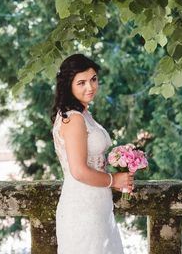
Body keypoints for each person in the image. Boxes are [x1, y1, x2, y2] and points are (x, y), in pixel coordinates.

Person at [51, 53, 133, 253]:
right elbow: (78, 171)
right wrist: (114, 180)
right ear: (68, 85)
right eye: (81, 82)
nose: (90, 87)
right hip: (82, 208)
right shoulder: (73, 118)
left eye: (93, 79)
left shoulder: (84, 114)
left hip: (98, 205)